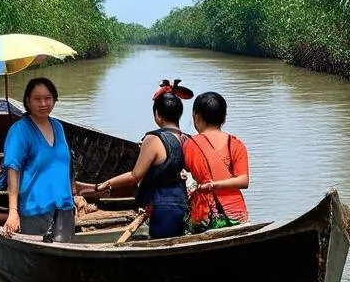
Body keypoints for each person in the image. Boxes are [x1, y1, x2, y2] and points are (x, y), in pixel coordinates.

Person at [81, 79, 194, 239]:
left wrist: (106, 184)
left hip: (161, 205)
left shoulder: (154, 139)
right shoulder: (186, 139)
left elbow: (135, 176)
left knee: (159, 247)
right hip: (181, 202)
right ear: (179, 114)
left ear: (157, 115)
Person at [1, 77, 79, 241]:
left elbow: (63, 165)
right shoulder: (20, 130)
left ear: (54, 100)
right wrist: (13, 211)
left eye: (48, 98)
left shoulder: (58, 126)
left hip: (63, 207)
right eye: (37, 99)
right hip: (35, 209)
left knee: (64, 254)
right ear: (27, 101)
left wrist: (73, 195)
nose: (43, 104)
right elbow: (13, 171)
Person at [183, 91, 250, 230]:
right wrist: (216, 184)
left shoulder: (190, 144)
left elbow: (185, 172)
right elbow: (243, 181)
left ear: (197, 117)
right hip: (237, 213)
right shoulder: (236, 144)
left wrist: (211, 184)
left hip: (206, 214)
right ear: (224, 118)